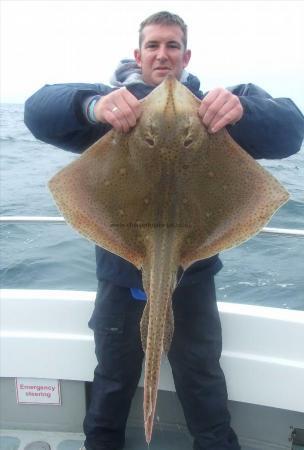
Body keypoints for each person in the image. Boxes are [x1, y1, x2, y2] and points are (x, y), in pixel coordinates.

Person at [24, 11, 304, 450]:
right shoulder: (113, 108)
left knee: (203, 382)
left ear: (186, 55)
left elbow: (291, 130)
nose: (162, 54)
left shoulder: (218, 109)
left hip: (193, 278)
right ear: (138, 55)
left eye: (172, 45)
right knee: (113, 381)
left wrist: (242, 111)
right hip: (120, 279)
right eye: (153, 45)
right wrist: (92, 107)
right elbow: (37, 110)